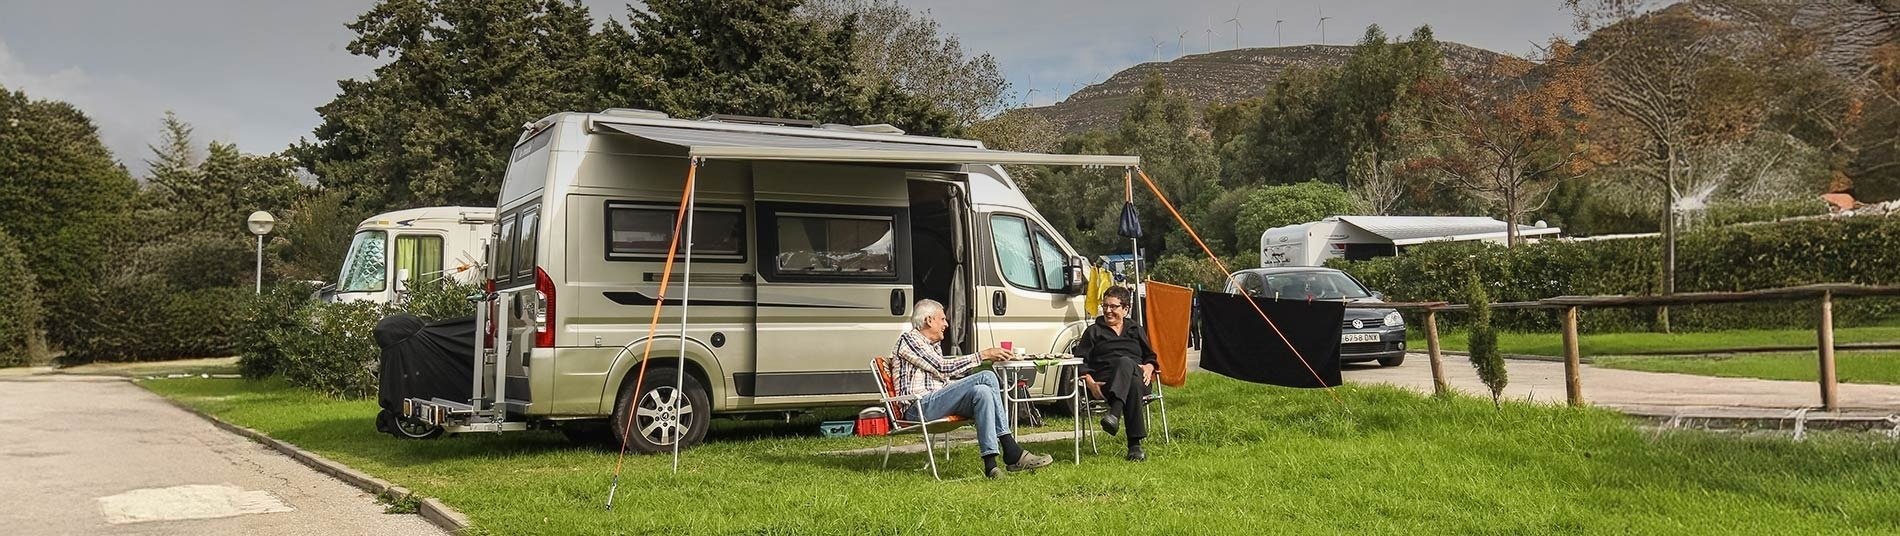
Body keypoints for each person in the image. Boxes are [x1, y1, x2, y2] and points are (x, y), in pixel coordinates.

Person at [890, 299, 1055, 478]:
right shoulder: (909, 340)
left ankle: (991, 466)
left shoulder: (933, 346)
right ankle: (1011, 449)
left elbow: (944, 379)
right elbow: (942, 367)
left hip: (935, 402)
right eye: (943, 319)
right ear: (929, 320)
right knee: (987, 376)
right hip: (919, 408)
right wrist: (983, 355)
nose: (946, 324)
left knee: (982, 392)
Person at [1073, 286, 1158, 461]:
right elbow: (1080, 361)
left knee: (1126, 364)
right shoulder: (1093, 331)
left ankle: (1114, 413)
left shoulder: (1135, 329)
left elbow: (1150, 356)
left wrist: (1149, 367)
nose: (1108, 310)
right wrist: (1090, 383)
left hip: (1141, 380)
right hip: (1105, 384)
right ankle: (1134, 447)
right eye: (1105, 306)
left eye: (1113, 306)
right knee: (1128, 371)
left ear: (1125, 309)